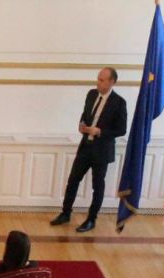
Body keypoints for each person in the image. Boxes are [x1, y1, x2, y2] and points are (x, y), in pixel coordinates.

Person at [51, 67, 128, 233]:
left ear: (111, 82)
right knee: (73, 180)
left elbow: (121, 129)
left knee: (97, 186)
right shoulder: (91, 94)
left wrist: (100, 131)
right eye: (98, 79)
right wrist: (82, 124)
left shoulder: (119, 102)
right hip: (86, 146)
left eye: (102, 80)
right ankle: (66, 213)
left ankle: (91, 219)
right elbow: (85, 114)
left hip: (102, 150)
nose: (98, 82)